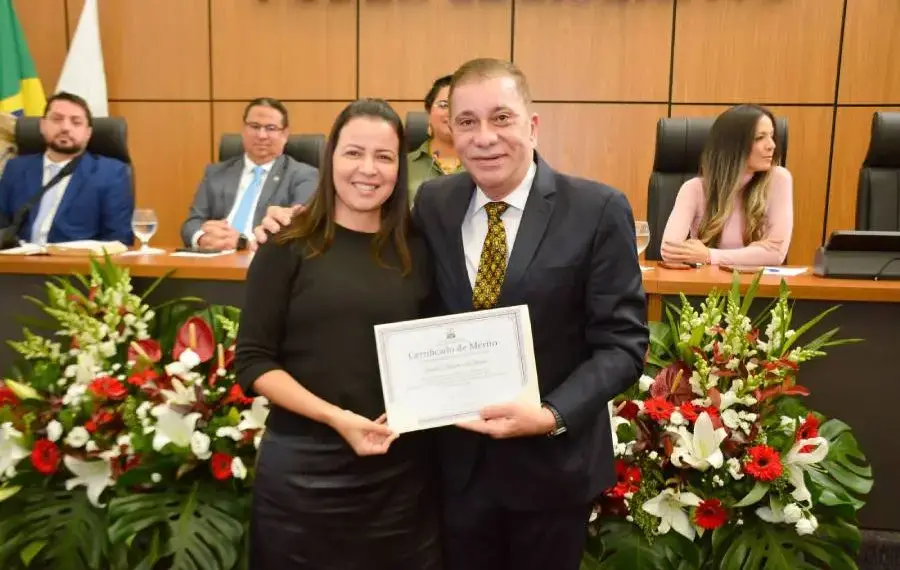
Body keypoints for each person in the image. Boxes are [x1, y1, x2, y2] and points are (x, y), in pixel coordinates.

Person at [253, 58, 648, 570]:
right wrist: (295, 217)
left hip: (550, 474)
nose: (484, 137)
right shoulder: (435, 203)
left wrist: (550, 416)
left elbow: (623, 345)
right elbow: (358, 241)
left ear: (532, 125)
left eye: (501, 118)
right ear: (449, 132)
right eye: (467, 122)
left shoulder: (596, 209)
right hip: (451, 472)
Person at [234, 98, 441, 570]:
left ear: (399, 168)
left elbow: (437, 348)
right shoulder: (285, 244)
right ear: (330, 157)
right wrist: (337, 419)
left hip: (400, 480)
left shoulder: (420, 249)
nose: (367, 169)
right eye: (353, 153)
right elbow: (254, 361)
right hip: (303, 478)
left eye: (384, 157)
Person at [661, 104, 794, 266]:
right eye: (760, 138)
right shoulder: (694, 188)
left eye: (772, 136)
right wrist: (753, 253)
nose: (772, 145)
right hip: (707, 287)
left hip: (757, 288)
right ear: (733, 145)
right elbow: (669, 251)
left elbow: (775, 254)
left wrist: (709, 255)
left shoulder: (779, 179)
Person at [180, 97, 318, 249]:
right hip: (216, 260)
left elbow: (298, 228)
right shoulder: (216, 173)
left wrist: (242, 243)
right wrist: (202, 238)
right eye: (254, 126)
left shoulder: (304, 175)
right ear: (243, 129)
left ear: (284, 134)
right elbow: (191, 223)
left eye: (271, 128)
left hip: (263, 262)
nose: (261, 135)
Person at [0, 92, 133, 245]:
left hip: (76, 266)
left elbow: (118, 239)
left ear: (88, 133)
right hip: (17, 263)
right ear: (42, 125)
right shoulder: (16, 168)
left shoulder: (110, 173)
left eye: (76, 122)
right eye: (57, 119)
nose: (65, 128)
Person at [407, 75, 464, 202]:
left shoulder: (484, 164)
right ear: (428, 112)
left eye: (460, 105)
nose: (451, 112)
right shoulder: (404, 166)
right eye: (444, 105)